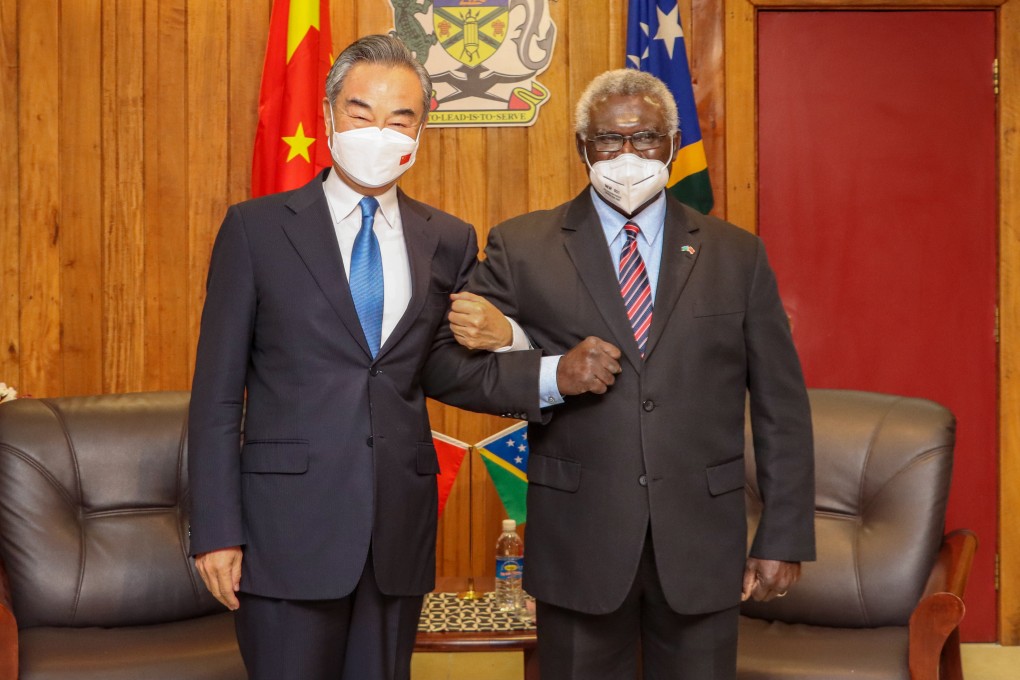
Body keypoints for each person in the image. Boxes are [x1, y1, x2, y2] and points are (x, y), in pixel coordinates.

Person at [187, 34, 550, 680]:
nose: (378, 132)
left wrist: (518, 342)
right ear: (329, 115)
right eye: (361, 113)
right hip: (285, 535)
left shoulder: (447, 239)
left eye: (399, 118)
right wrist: (215, 529)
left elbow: (442, 368)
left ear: (422, 127)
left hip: (397, 536)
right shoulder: (256, 230)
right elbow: (216, 394)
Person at [436, 69, 816, 680]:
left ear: (670, 144)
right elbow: (445, 368)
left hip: (702, 545)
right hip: (579, 545)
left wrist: (785, 534)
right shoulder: (525, 245)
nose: (628, 155)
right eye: (610, 141)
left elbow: (782, 405)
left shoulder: (736, 255)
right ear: (583, 147)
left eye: (645, 139)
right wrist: (554, 374)